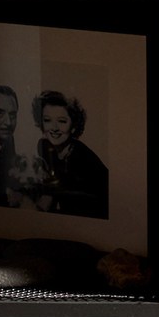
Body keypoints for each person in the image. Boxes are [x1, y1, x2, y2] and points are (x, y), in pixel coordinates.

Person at [29, 90, 109, 220]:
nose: (54, 128)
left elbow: (47, 201)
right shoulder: (44, 146)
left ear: (73, 126)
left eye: (62, 121)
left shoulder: (81, 158)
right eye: (47, 120)